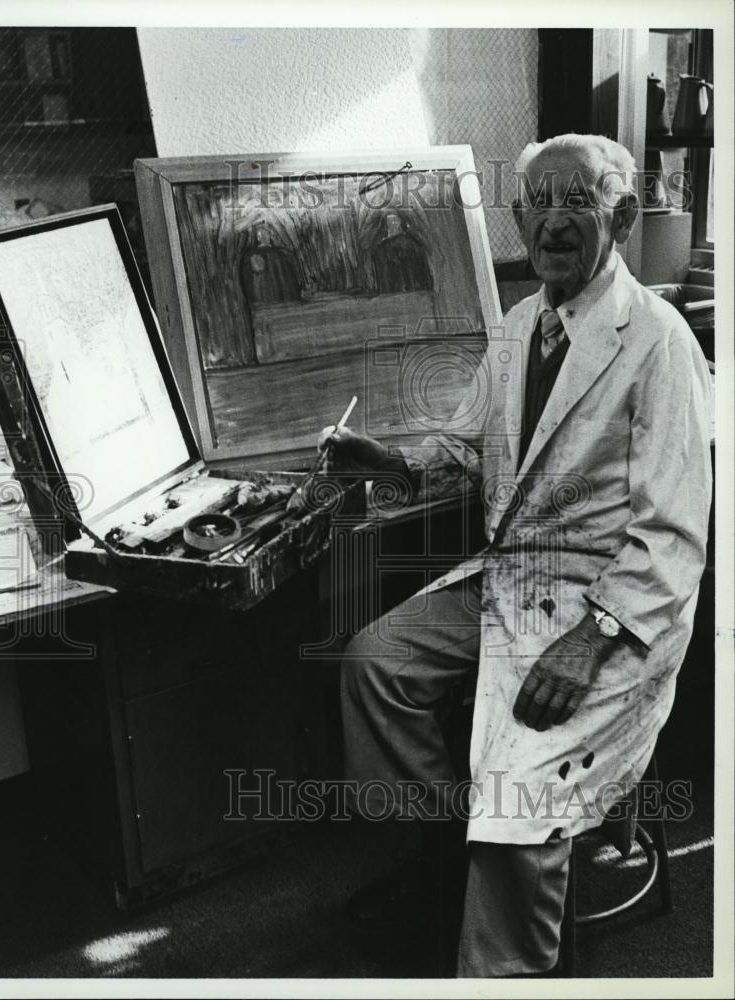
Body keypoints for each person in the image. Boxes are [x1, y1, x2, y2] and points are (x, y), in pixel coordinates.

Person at [315, 133, 713, 977]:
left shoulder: (658, 341)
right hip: (513, 577)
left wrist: (589, 638)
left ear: (623, 216)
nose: (552, 222)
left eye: (577, 202)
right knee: (373, 664)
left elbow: (673, 536)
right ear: (516, 214)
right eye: (536, 202)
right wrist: (390, 462)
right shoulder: (521, 324)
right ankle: (444, 857)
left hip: (608, 604)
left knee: (520, 784)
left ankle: (505, 963)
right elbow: (471, 446)